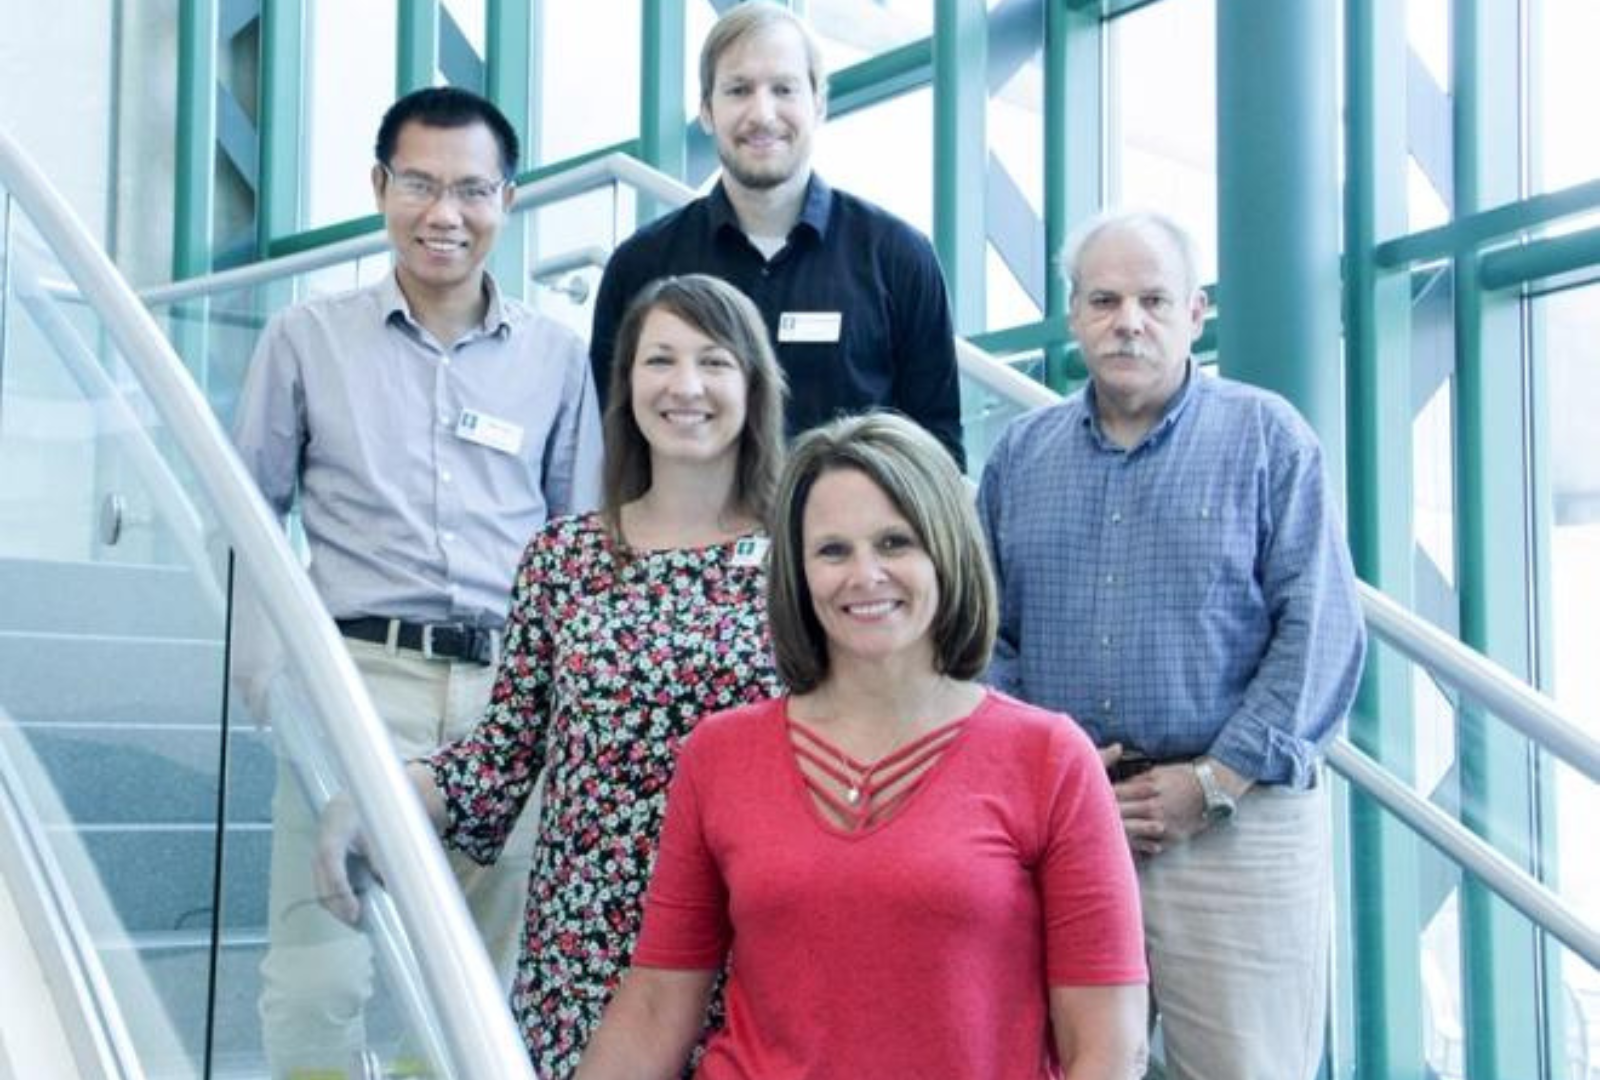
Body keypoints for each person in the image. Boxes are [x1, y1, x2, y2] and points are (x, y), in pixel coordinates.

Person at [576, 412, 1148, 1080]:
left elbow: (1108, 1049)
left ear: (946, 549)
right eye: (832, 551)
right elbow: (655, 1007)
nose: (865, 574)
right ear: (798, 571)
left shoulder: (1050, 757)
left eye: (894, 542)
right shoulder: (719, 754)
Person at [315, 273, 787, 1079]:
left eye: (713, 362)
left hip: (753, 936)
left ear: (753, 385)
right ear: (626, 384)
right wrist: (379, 796)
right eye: (660, 360)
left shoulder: (802, 560)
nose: (685, 386)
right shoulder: (564, 558)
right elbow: (502, 754)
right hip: (588, 952)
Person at [230, 86, 603, 1076]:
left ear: (507, 200)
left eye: (472, 190)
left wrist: (562, 702)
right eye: (420, 185)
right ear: (379, 187)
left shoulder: (557, 358)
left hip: (507, 700)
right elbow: (247, 511)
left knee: (475, 986)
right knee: (317, 978)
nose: (446, 213)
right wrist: (260, 665)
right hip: (356, 684)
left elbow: (579, 543)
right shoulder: (305, 338)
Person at [976, 209, 1367, 1080]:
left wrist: (1215, 783)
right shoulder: (1020, 458)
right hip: (1068, 824)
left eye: (1153, 300)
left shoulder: (1267, 438)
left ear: (1195, 313)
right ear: (1073, 315)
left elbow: (1319, 633)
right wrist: (1058, 771)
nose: (1128, 322)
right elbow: (988, 637)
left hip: (1237, 824)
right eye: (1104, 300)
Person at [588, 1, 966, 468]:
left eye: (783, 89)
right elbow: (610, 438)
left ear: (819, 103)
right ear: (706, 111)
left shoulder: (897, 256)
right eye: (739, 90)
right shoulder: (642, 265)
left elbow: (937, 448)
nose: (762, 114)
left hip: (842, 517)